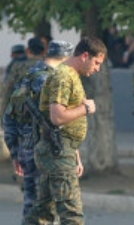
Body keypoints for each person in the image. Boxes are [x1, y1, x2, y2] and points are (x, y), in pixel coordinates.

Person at [24, 36, 107, 225]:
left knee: (42, 214)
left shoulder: (71, 75)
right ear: (85, 55)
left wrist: (75, 156)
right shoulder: (63, 76)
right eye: (96, 62)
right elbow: (57, 117)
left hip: (60, 149)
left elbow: (63, 125)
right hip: (57, 153)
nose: (97, 68)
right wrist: (86, 108)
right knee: (72, 215)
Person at [3, 40, 74, 223]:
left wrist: (14, 152)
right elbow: (59, 120)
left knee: (31, 202)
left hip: (26, 148)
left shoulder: (26, 77)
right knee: (47, 207)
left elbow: (9, 116)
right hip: (47, 150)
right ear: (65, 58)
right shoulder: (53, 80)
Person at [1, 37, 45, 119]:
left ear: (28, 50)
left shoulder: (17, 67)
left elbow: (8, 90)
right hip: (44, 118)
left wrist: (3, 115)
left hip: (22, 117)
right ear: (44, 52)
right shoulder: (50, 68)